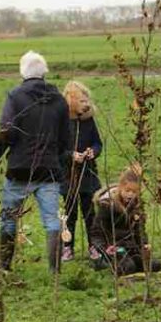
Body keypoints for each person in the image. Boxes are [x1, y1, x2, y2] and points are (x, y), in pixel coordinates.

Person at [0, 51, 71, 273]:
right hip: (49, 170)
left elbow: (6, 132)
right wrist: (57, 158)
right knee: (52, 221)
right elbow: (66, 139)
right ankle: (55, 271)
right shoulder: (60, 100)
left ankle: (4, 266)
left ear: (22, 72)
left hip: (19, 168)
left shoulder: (15, 97)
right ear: (44, 72)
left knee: (9, 219)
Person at [90, 166, 161, 276]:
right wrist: (104, 248)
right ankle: (103, 263)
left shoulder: (137, 207)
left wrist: (144, 244)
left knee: (155, 265)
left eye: (134, 192)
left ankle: (133, 262)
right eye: (127, 190)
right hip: (113, 248)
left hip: (131, 247)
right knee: (128, 267)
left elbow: (140, 230)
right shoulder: (107, 206)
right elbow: (97, 232)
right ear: (120, 188)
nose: (130, 195)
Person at [60, 81, 103, 262]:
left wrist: (93, 151)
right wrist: (71, 155)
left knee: (90, 213)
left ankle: (94, 246)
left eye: (87, 100)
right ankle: (67, 247)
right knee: (69, 214)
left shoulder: (88, 121)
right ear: (71, 101)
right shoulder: (60, 123)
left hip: (88, 174)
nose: (86, 104)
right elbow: (55, 149)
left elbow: (97, 143)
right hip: (68, 176)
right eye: (81, 100)